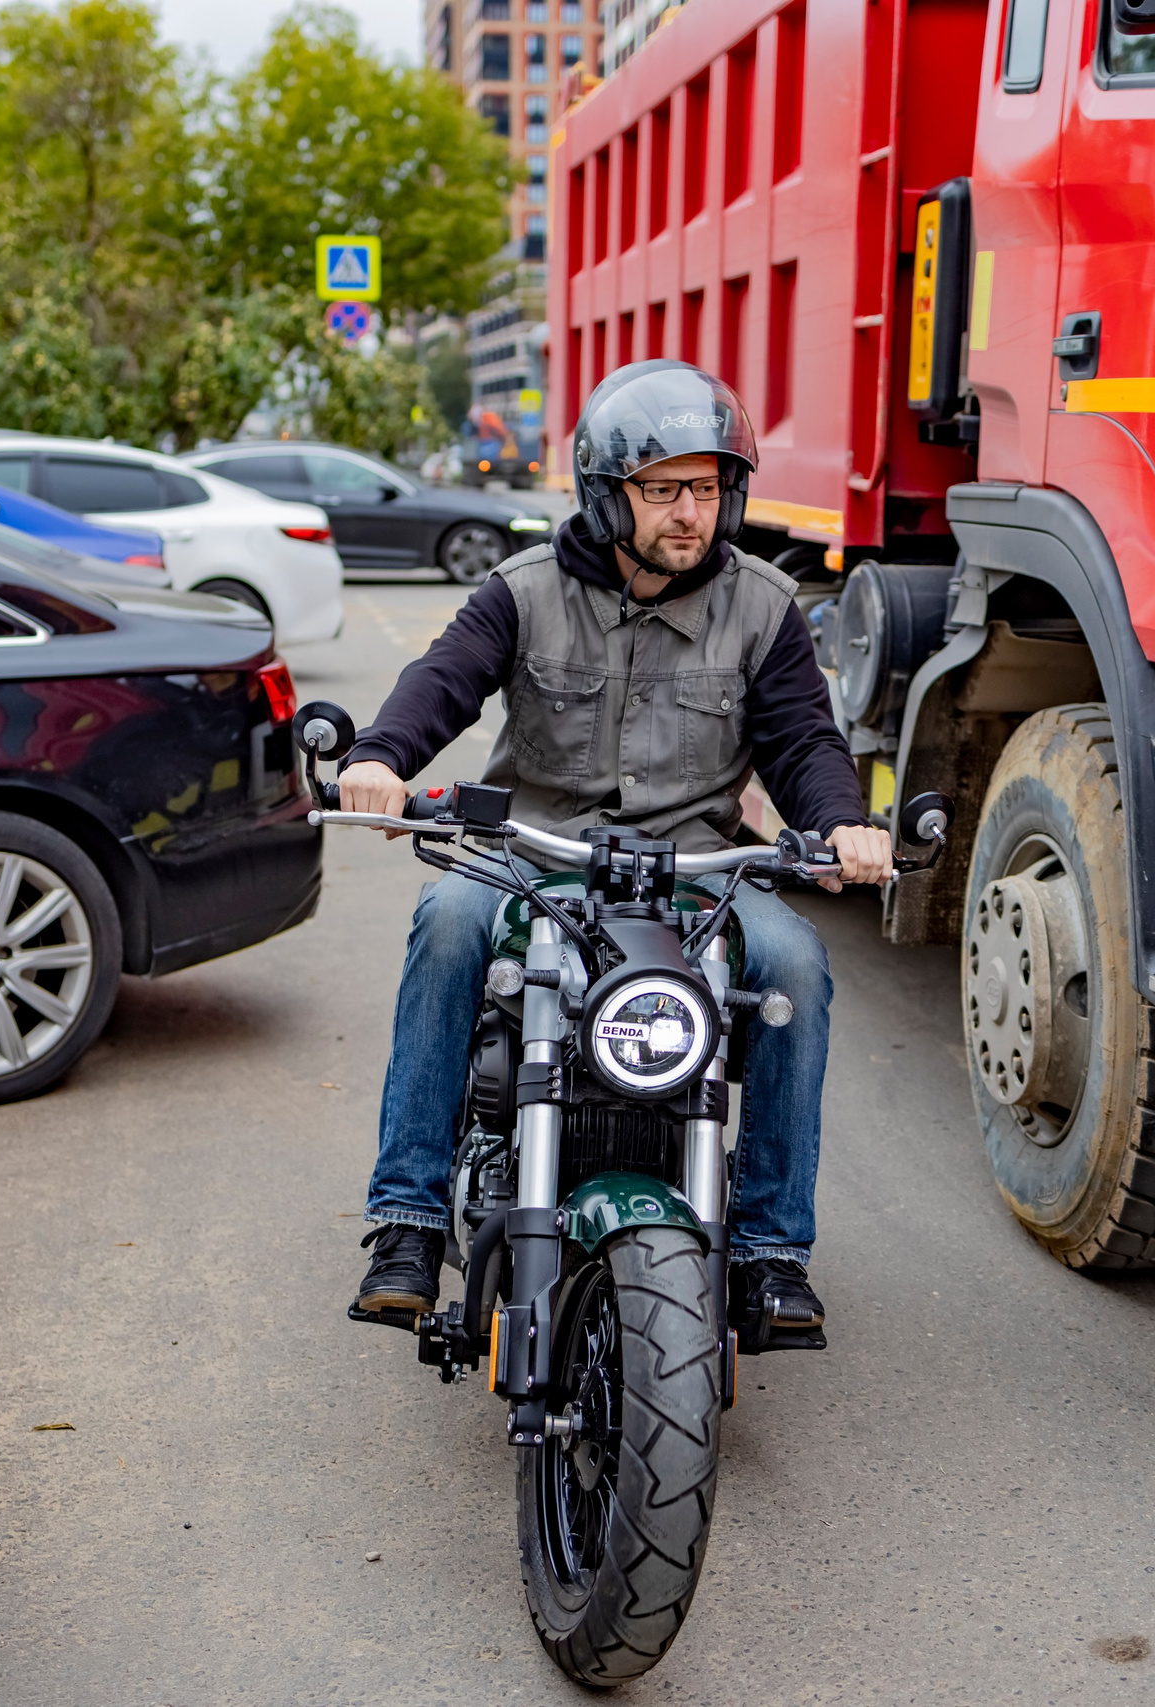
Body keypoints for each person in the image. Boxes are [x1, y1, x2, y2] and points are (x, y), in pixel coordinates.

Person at [342, 360, 891, 1350]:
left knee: (796, 964)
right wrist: (381, 758)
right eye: (663, 488)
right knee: (448, 922)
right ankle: (409, 1224)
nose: (690, 511)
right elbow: (443, 684)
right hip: (535, 854)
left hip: (693, 870)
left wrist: (843, 822)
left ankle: (770, 1247)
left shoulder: (761, 606)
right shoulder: (522, 592)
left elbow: (805, 741)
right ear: (606, 495)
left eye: (707, 487)